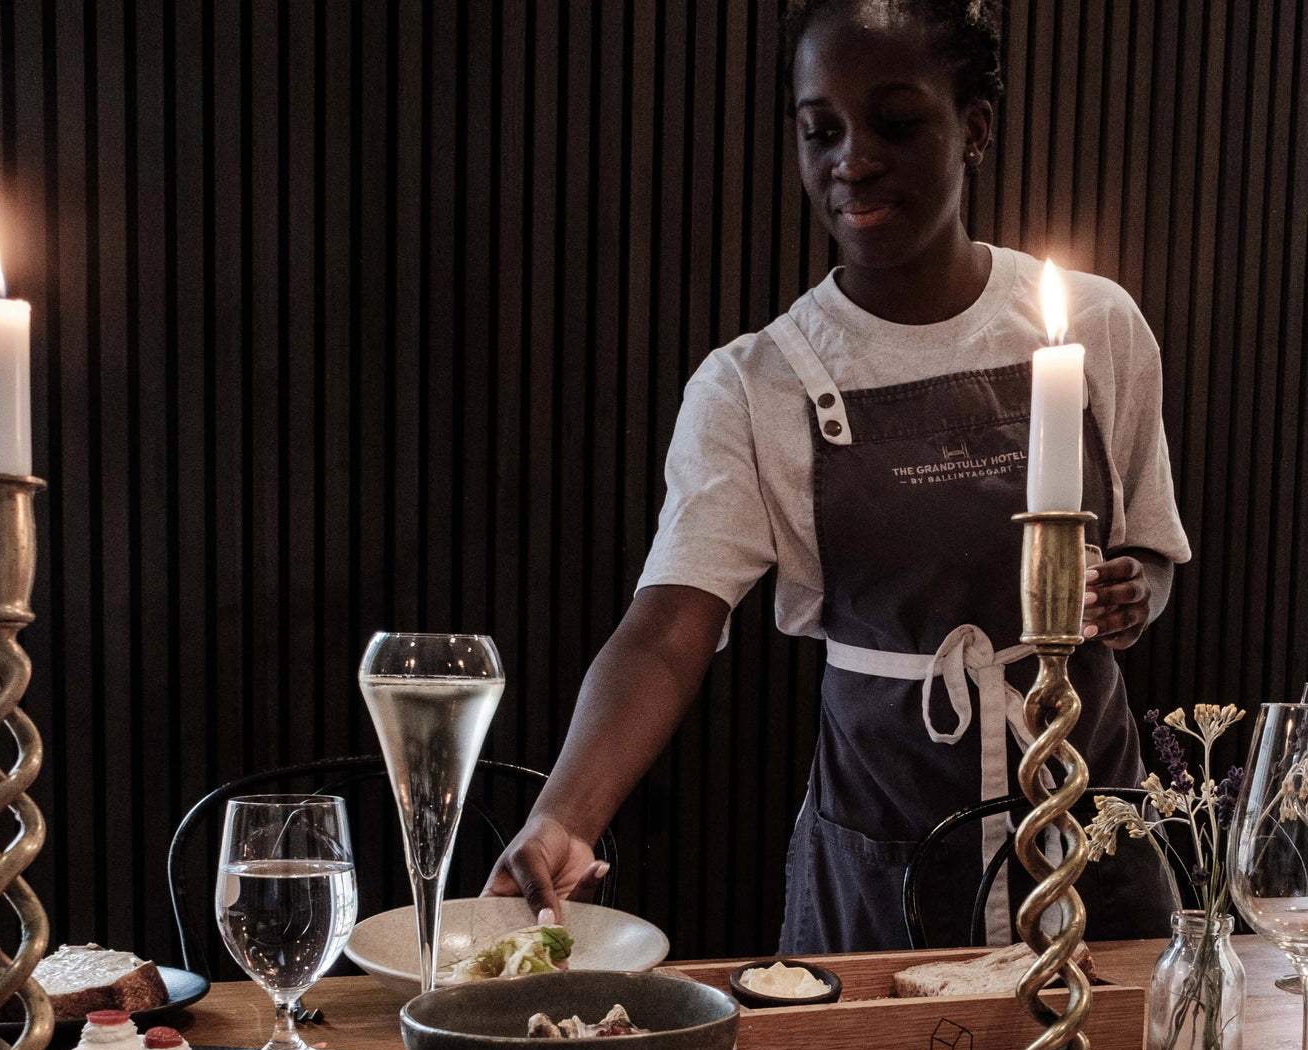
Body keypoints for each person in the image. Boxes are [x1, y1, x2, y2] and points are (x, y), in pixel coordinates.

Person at [485, 0, 1191, 952]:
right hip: (878, 865)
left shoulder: (1096, 325)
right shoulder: (756, 383)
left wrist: (1129, 594)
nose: (852, 159)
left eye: (896, 124)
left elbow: (1150, 548)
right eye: (821, 130)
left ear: (973, 128)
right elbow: (666, 632)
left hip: (1089, 842)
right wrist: (562, 815)